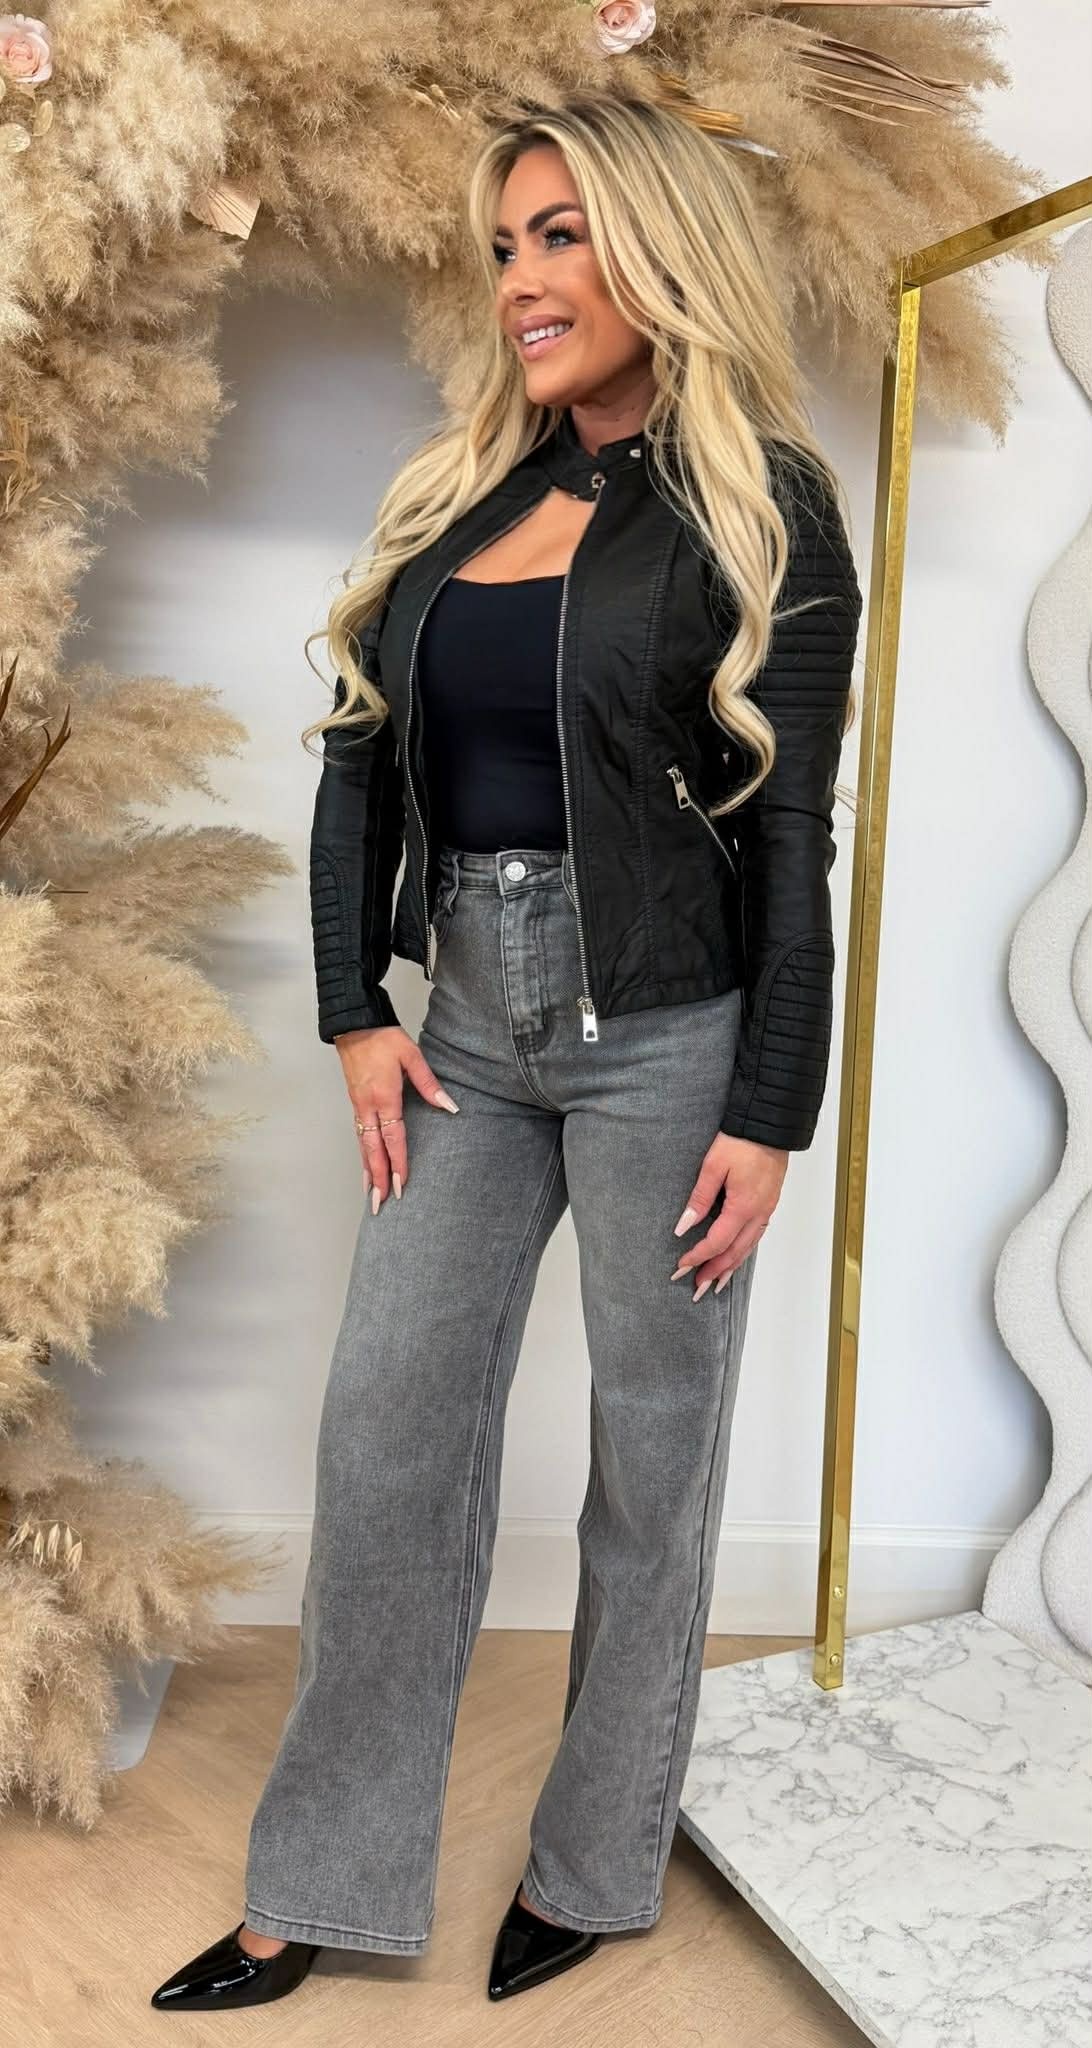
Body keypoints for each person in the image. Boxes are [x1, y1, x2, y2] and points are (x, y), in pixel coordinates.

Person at [150, 87, 863, 2015]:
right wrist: (352, 1011)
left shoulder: (769, 507)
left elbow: (794, 836)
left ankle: (594, 1862)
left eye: (560, 237)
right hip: (464, 1022)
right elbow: (355, 768)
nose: (521, 282)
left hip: (671, 1045)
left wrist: (773, 1110)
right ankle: (316, 1881)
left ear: (659, 247)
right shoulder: (457, 494)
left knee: (652, 1464)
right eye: (503, 248)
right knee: (388, 1438)